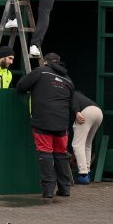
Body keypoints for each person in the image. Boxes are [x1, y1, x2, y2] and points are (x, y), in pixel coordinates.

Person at [16, 52, 74, 200]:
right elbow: (71, 103)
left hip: (43, 121)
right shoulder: (68, 80)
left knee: (45, 153)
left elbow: (21, 86)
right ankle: (65, 189)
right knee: (60, 155)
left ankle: (48, 190)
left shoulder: (40, 71)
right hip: (62, 124)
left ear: (44, 61)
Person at [70, 91, 103, 185]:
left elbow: (74, 100)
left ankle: (83, 174)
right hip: (99, 113)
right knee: (87, 144)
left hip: (87, 112)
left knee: (77, 144)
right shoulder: (82, 96)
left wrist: (77, 112)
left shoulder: (71, 93)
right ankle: (87, 172)